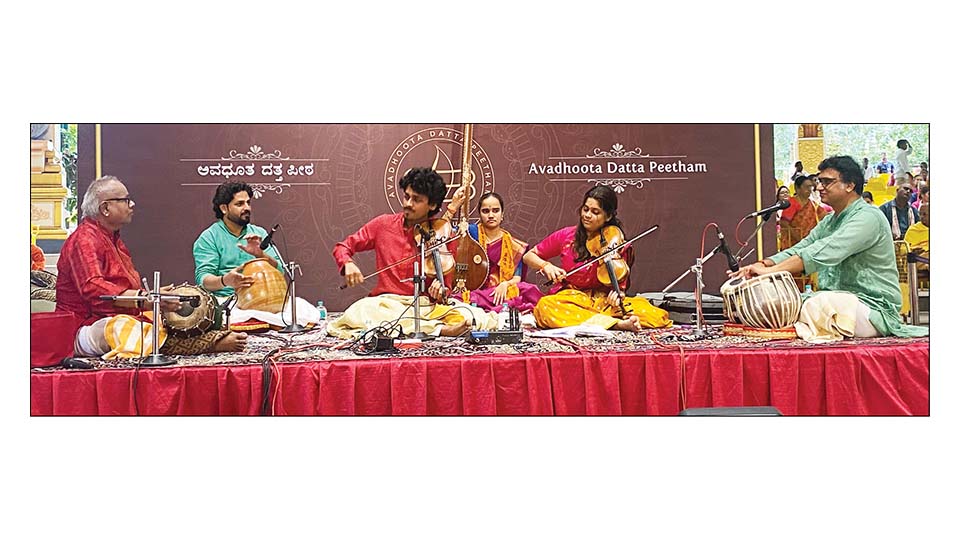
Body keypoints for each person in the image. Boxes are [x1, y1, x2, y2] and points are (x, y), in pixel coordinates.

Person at [728, 156, 927, 339]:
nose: (819, 187)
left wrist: (770, 272)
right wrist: (760, 264)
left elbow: (822, 252)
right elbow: (802, 247)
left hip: (872, 308)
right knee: (797, 302)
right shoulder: (830, 221)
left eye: (827, 182)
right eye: (819, 181)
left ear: (850, 185)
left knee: (820, 304)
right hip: (838, 300)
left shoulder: (868, 217)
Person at [56, 176, 247, 358]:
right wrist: (145, 299)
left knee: (165, 321)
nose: (132, 205)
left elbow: (126, 290)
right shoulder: (84, 240)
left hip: (119, 317)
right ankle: (205, 345)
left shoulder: (113, 239)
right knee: (122, 328)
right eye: (125, 200)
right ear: (105, 208)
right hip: (84, 327)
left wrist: (154, 298)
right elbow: (93, 289)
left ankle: (186, 341)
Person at [330, 167, 497, 339]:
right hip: (389, 304)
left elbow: (446, 287)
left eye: (416, 200)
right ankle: (440, 330)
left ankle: (425, 327)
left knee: (472, 315)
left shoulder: (444, 234)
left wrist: (440, 290)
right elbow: (343, 247)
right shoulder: (382, 225)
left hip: (426, 306)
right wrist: (347, 263)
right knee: (361, 310)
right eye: (407, 196)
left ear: (432, 205)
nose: (408, 203)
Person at [522, 185, 671, 332]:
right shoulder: (567, 236)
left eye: (595, 212)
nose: (587, 215)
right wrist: (546, 265)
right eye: (585, 209)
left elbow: (619, 288)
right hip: (573, 300)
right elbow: (529, 256)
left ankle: (596, 321)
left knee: (655, 315)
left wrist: (618, 296)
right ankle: (615, 325)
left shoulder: (617, 243)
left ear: (609, 216)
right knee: (545, 307)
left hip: (604, 303)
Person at [442, 191, 544, 311]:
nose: (491, 215)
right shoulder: (469, 232)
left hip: (501, 292)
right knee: (460, 298)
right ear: (480, 215)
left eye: (495, 210)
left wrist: (504, 284)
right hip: (477, 292)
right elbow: (442, 232)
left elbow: (517, 278)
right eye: (486, 211)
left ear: (502, 215)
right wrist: (452, 207)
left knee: (527, 289)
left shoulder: (514, 245)